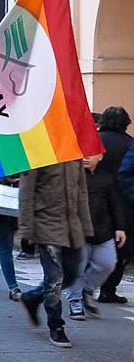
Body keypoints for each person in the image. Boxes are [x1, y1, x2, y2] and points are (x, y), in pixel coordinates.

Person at [18, 161, 93, 347]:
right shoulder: (38, 154)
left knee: (71, 276)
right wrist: (26, 230)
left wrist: (87, 227)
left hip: (72, 227)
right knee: (55, 279)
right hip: (46, 224)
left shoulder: (74, 154)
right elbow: (26, 193)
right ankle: (56, 326)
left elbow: (82, 192)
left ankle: (32, 297)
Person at [65, 110, 127, 319]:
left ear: (101, 156)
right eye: (83, 153)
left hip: (103, 230)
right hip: (78, 230)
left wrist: (119, 227)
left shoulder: (106, 179)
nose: (86, 157)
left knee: (107, 263)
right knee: (78, 266)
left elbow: (115, 203)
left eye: (91, 154)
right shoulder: (73, 177)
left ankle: (88, 289)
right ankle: (75, 301)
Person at [104, 109, 134, 304]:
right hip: (124, 204)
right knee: (122, 249)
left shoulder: (95, 141)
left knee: (95, 246)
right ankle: (108, 289)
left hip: (96, 201)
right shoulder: (130, 143)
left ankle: (85, 290)